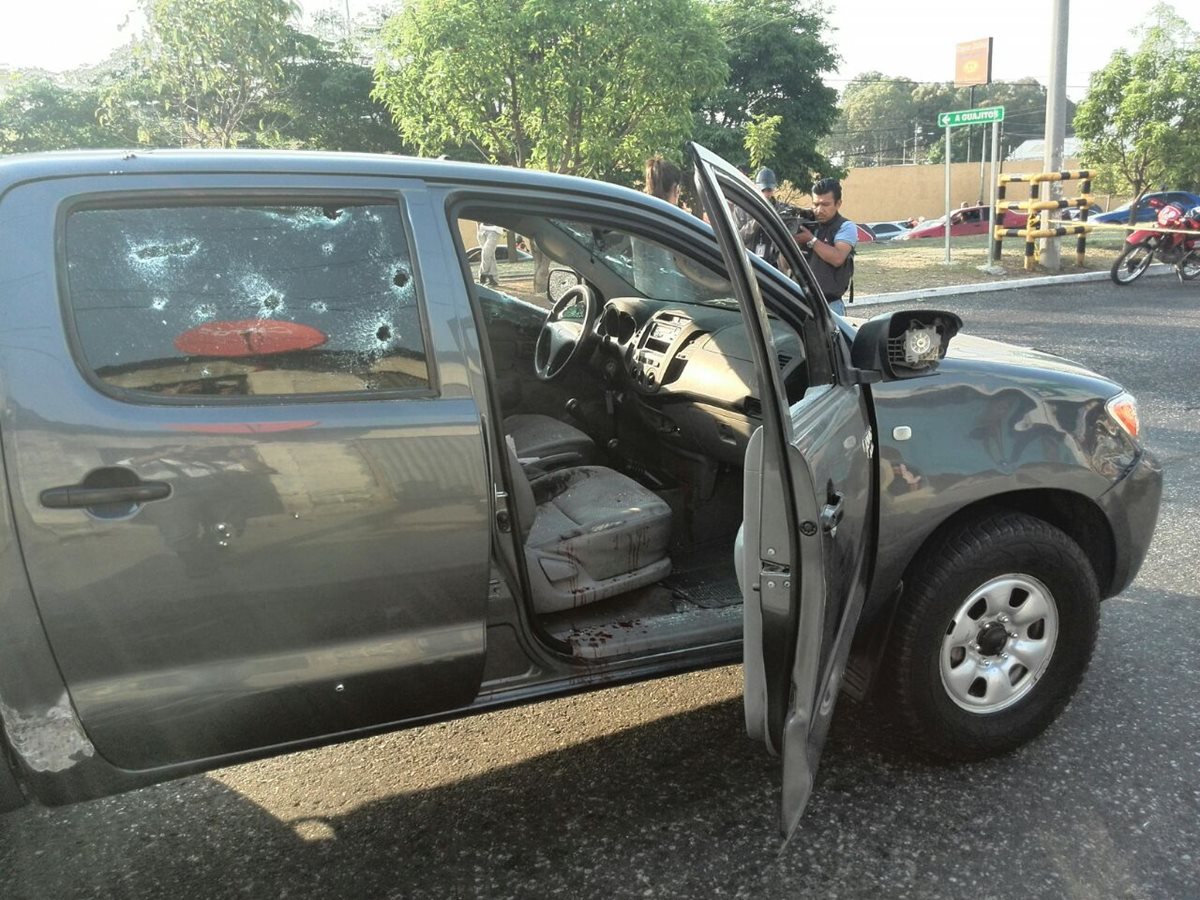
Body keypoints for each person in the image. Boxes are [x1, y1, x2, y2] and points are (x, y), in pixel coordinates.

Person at [792, 177, 857, 316]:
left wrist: (811, 240)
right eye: (815, 204)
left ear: (838, 204)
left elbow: (838, 257)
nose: (819, 210)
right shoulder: (805, 224)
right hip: (799, 301)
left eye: (825, 204)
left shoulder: (845, 227)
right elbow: (785, 264)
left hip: (829, 305)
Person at [476, 221, 504, 287]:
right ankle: (493, 279)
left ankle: (483, 274)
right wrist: (478, 230)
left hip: (494, 230)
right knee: (490, 255)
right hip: (482, 230)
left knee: (486, 253)